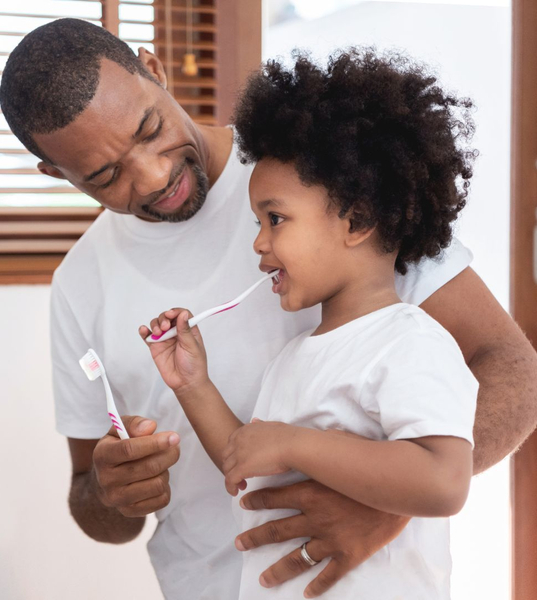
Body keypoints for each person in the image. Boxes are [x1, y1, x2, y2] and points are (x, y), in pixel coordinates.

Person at [0, 18, 537, 600]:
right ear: (58, 174)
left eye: (150, 130)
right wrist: (110, 492)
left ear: (154, 70)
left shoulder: (321, 172)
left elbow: (511, 368)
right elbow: (131, 486)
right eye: (105, 176)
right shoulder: (80, 283)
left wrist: (381, 505)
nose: (153, 176)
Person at [140, 49, 478, 600]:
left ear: (359, 220)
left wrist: (296, 446)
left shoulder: (409, 342)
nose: (258, 242)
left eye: (275, 219)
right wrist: (192, 384)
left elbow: (444, 482)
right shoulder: (295, 357)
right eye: (257, 222)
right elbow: (251, 460)